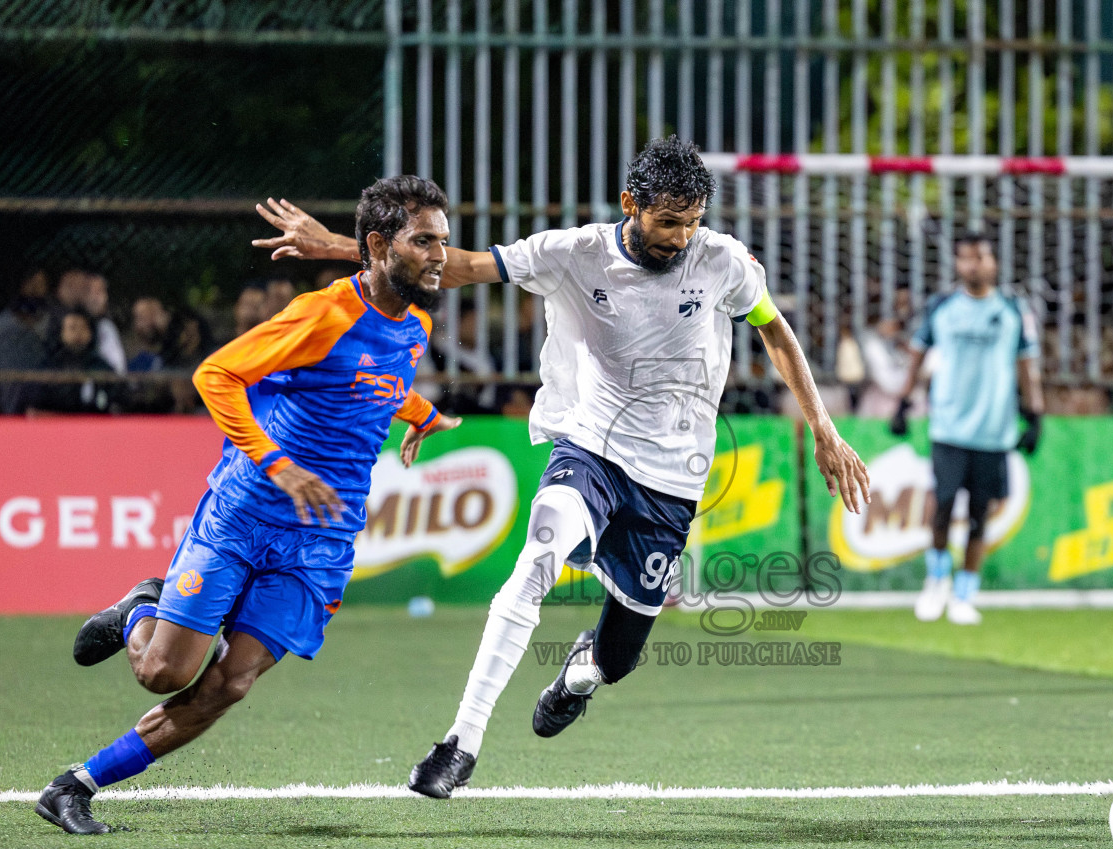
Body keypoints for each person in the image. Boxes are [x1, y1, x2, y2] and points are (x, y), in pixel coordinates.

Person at [254, 136, 870, 798]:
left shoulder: (722, 262)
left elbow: (774, 329)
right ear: (631, 205)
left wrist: (823, 429)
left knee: (616, 659)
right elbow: (455, 266)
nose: (682, 237)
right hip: (590, 448)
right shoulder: (571, 254)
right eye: (669, 222)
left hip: (673, 482)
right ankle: (460, 743)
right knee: (536, 561)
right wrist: (341, 248)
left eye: (692, 221)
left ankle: (578, 673)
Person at [34, 175, 464, 835]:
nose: (441, 255)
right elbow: (217, 375)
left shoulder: (417, 324)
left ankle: (75, 786)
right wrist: (279, 465)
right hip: (245, 514)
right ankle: (137, 615)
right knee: (160, 673)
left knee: (231, 682)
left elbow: (377, 382)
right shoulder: (320, 316)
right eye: (425, 240)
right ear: (378, 246)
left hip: (323, 538)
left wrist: (420, 413)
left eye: (444, 239)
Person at [890, 231, 1044, 626]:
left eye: (981, 256)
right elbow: (917, 356)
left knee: (981, 514)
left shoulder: (1012, 308)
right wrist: (902, 403)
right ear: (957, 264)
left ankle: (965, 594)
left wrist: (1035, 414)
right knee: (940, 506)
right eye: (966, 258)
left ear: (993, 262)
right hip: (949, 426)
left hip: (994, 429)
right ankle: (936, 582)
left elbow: (1027, 365)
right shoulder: (942, 307)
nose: (974, 265)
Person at [0, 268, 51, 414]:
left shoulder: (54, 325)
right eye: (30, 284)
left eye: (39, 284)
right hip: (0, 407)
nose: (34, 290)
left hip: (39, 407)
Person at [43, 309, 114, 413]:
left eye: (83, 327)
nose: (78, 333)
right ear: (61, 332)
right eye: (72, 328)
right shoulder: (49, 366)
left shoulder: (101, 366)